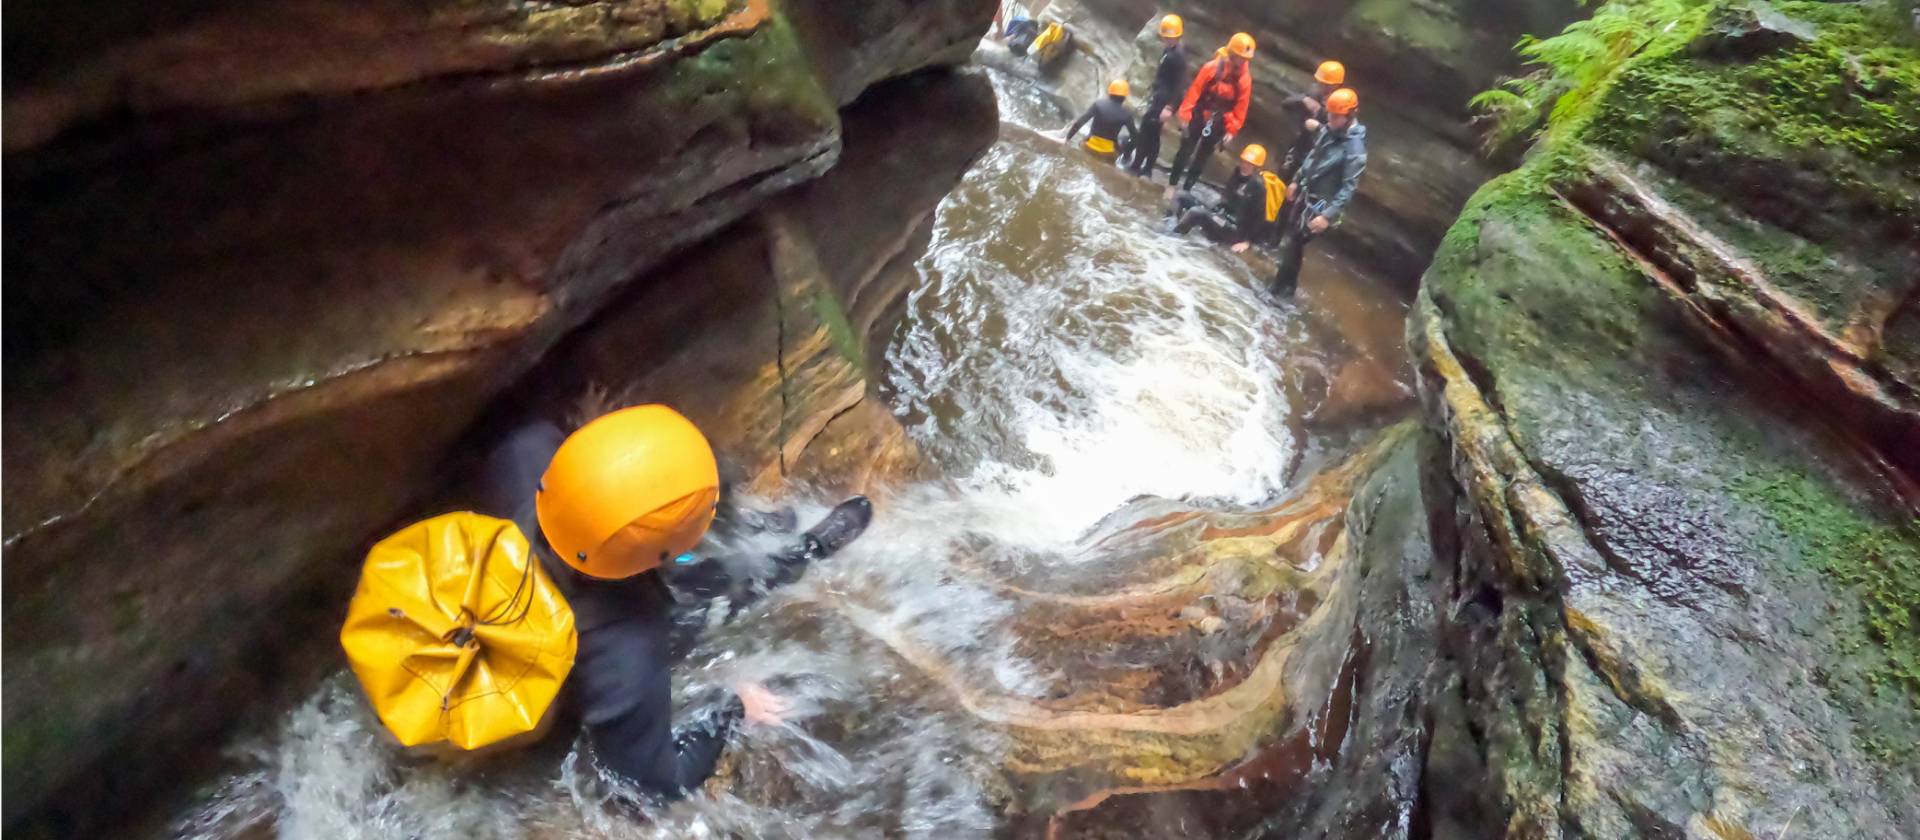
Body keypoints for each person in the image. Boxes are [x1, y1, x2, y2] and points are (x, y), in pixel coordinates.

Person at [480, 405, 873, 799]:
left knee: (697, 559)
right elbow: (650, 788)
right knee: (706, 594)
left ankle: (769, 541)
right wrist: (733, 709)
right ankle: (802, 553)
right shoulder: (627, 652)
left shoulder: (524, 450)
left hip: (524, 581)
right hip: (563, 639)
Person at [1271, 88, 1367, 297]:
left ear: (1349, 116)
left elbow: (1348, 187)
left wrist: (1327, 216)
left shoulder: (1355, 150)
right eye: (1329, 114)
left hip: (1323, 204)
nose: (1329, 119)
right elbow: (1312, 158)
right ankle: (1287, 289)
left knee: (1295, 241)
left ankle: (1278, 290)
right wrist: (1296, 180)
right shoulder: (1328, 131)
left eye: (1335, 116)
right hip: (1307, 194)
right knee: (1294, 242)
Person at [1165, 33, 1255, 194]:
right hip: (1200, 112)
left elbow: (1241, 107)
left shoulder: (1244, 80)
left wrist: (1231, 129)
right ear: (1232, 54)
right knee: (1185, 150)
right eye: (1239, 57)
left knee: (1202, 157)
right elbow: (1195, 90)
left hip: (1219, 120)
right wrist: (1185, 114)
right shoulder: (1212, 67)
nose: (1242, 62)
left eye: (1244, 59)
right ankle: (1172, 184)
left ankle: (1187, 188)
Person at [1171, 143, 1286, 253]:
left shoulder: (1258, 187)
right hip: (1223, 215)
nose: (1244, 166)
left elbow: (1260, 220)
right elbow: (1227, 197)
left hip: (1236, 230)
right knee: (1181, 195)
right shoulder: (1237, 173)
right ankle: (1170, 226)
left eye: (1249, 164)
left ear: (1256, 167)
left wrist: (1247, 242)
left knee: (1196, 213)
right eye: (1243, 161)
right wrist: (1215, 210)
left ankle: (1171, 240)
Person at [1120, 14, 1190, 178]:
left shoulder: (1179, 56)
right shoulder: (1169, 50)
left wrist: (1169, 107)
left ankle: (1137, 166)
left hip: (1166, 100)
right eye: (1165, 37)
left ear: (1177, 36)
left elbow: (1181, 85)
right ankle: (1147, 168)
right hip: (1160, 95)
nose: (1167, 39)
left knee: (1147, 130)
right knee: (1152, 133)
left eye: (1170, 37)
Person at [1278, 61, 1345, 181]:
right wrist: (1303, 99)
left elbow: (1337, 136)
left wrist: (1320, 113)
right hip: (1297, 148)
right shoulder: (1314, 93)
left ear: (1336, 86)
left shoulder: (1341, 106)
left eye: (1326, 85)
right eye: (1321, 83)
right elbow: (1286, 104)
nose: (1322, 87)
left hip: (1315, 158)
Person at [1065, 80, 1138, 164]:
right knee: (1125, 139)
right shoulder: (1127, 114)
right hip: (1108, 153)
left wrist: (1067, 138)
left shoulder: (1098, 104)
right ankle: (1125, 159)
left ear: (1110, 93)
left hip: (1088, 146)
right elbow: (1135, 137)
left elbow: (1080, 122)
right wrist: (1126, 153)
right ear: (1125, 97)